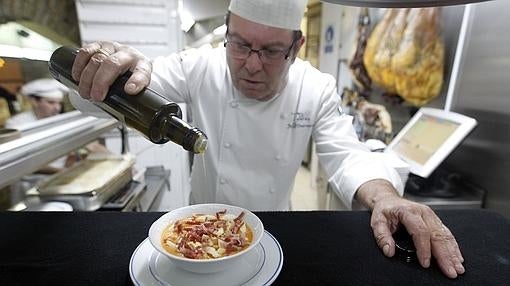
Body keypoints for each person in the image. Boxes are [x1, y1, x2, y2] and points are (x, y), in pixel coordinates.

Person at [69, 0, 465, 279]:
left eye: (273, 50)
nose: (252, 65)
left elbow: (346, 156)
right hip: (195, 233)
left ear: (297, 45)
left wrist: (387, 198)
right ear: (227, 30)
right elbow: (101, 99)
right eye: (240, 45)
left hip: (276, 234)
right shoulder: (199, 66)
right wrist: (99, 72)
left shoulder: (316, 87)